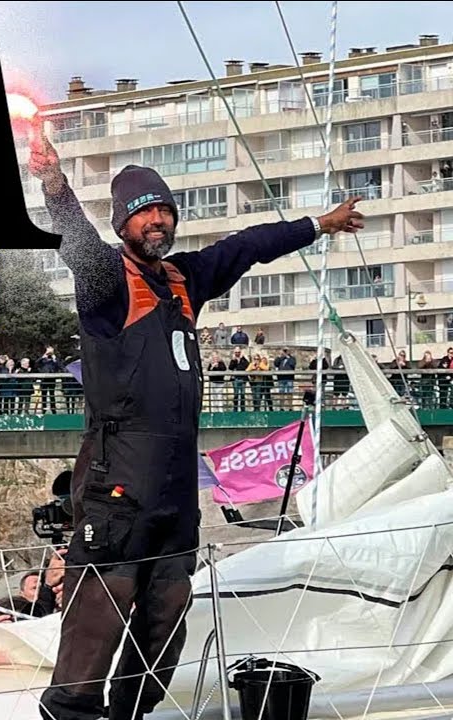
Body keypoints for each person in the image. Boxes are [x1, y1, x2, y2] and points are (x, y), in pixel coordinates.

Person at [27, 127, 363, 720]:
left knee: (167, 609)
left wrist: (318, 225)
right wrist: (53, 181)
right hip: (117, 480)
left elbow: (247, 245)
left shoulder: (184, 279)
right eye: (142, 212)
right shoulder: (107, 282)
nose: (156, 220)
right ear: (122, 224)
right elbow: (74, 237)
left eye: (164, 210)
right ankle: (71, 711)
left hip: (176, 486)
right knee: (102, 606)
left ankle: (132, 711)